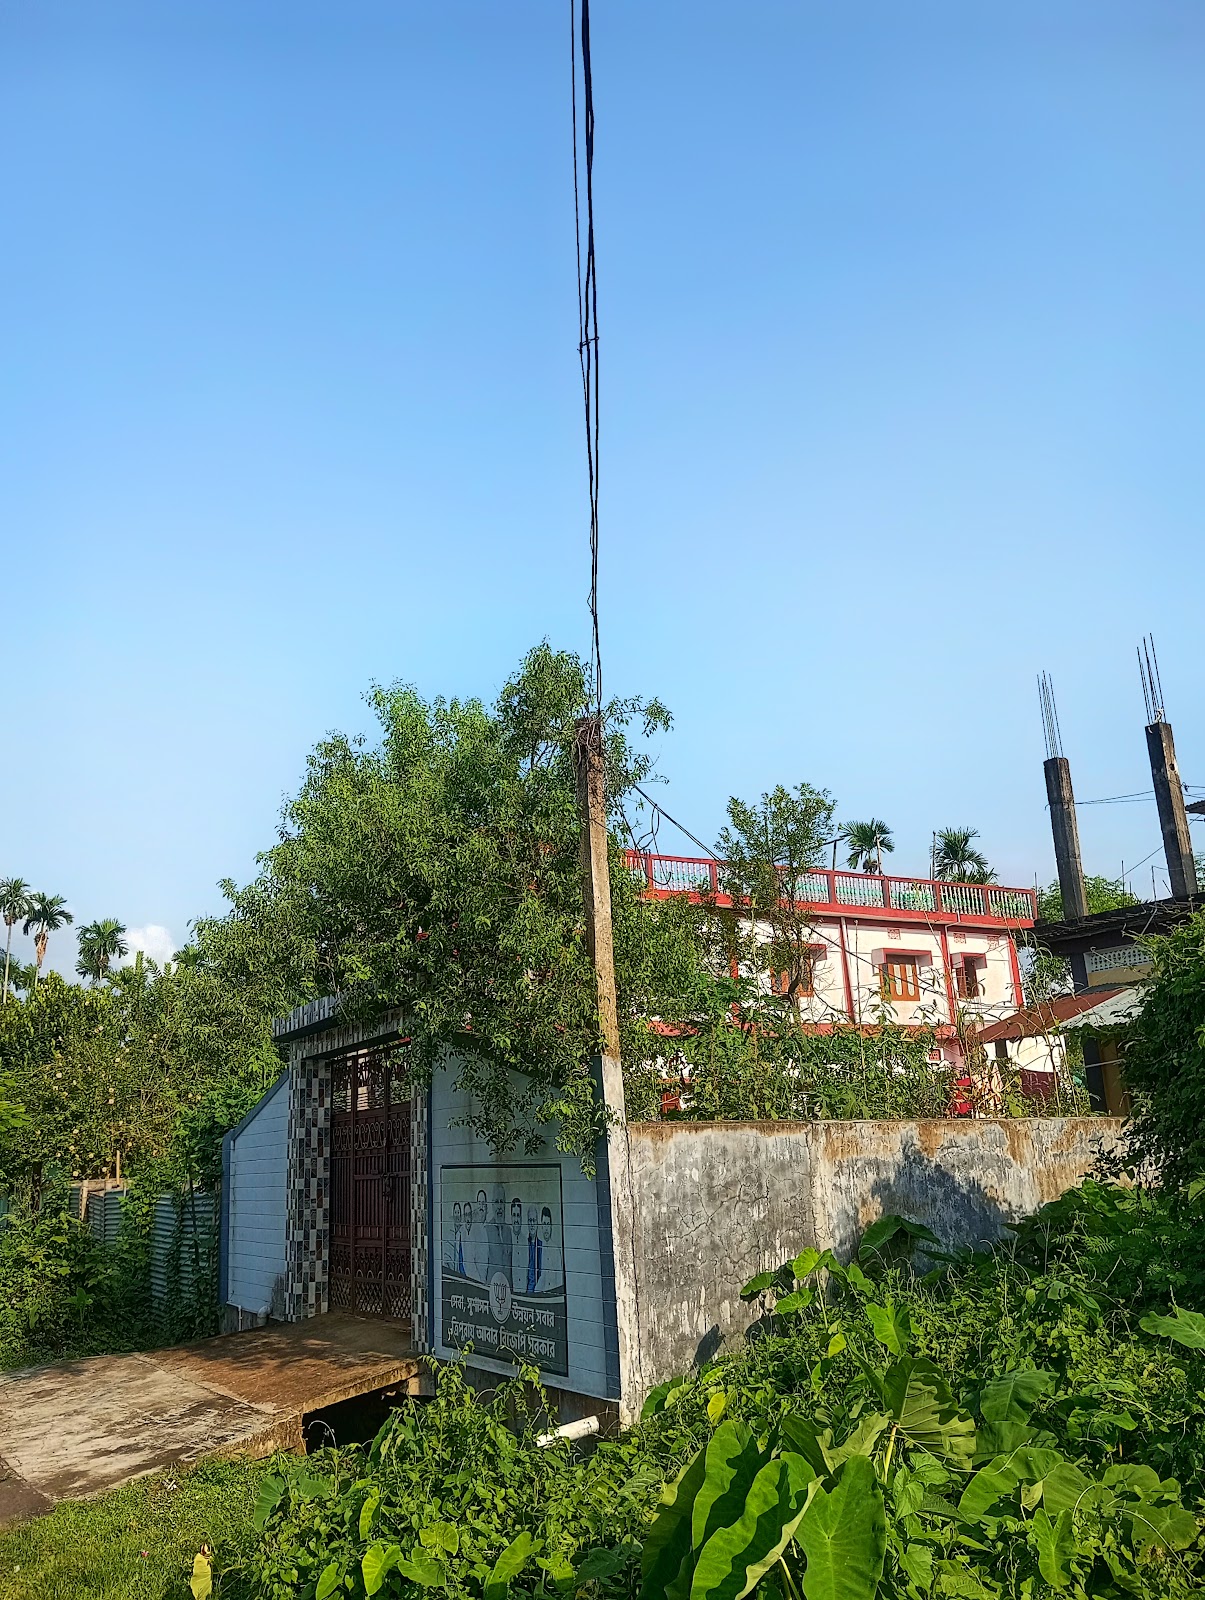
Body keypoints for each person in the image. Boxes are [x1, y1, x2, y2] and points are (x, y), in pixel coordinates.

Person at [486, 1184, 510, 1285]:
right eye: (496, 1202)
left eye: (501, 1202)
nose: (499, 1206)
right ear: (492, 1205)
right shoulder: (486, 1230)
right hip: (492, 1289)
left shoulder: (509, 1231)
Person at [536, 1205, 563, 1293]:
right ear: (541, 1226)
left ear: (551, 1226)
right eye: (544, 1224)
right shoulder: (540, 1248)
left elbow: (559, 1279)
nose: (546, 1228)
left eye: (548, 1224)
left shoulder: (556, 1250)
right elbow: (542, 1277)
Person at [509, 1197, 527, 1291]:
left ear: (521, 1217)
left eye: (518, 1215)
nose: (516, 1219)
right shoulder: (507, 1238)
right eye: (514, 1215)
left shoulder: (526, 1241)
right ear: (511, 1217)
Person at [444, 1201, 464, 1273]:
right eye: (455, 1212)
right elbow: (446, 1256)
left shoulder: (463, 1232)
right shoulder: (449, 1234)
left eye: (458, 1212)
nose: (457, 1215)